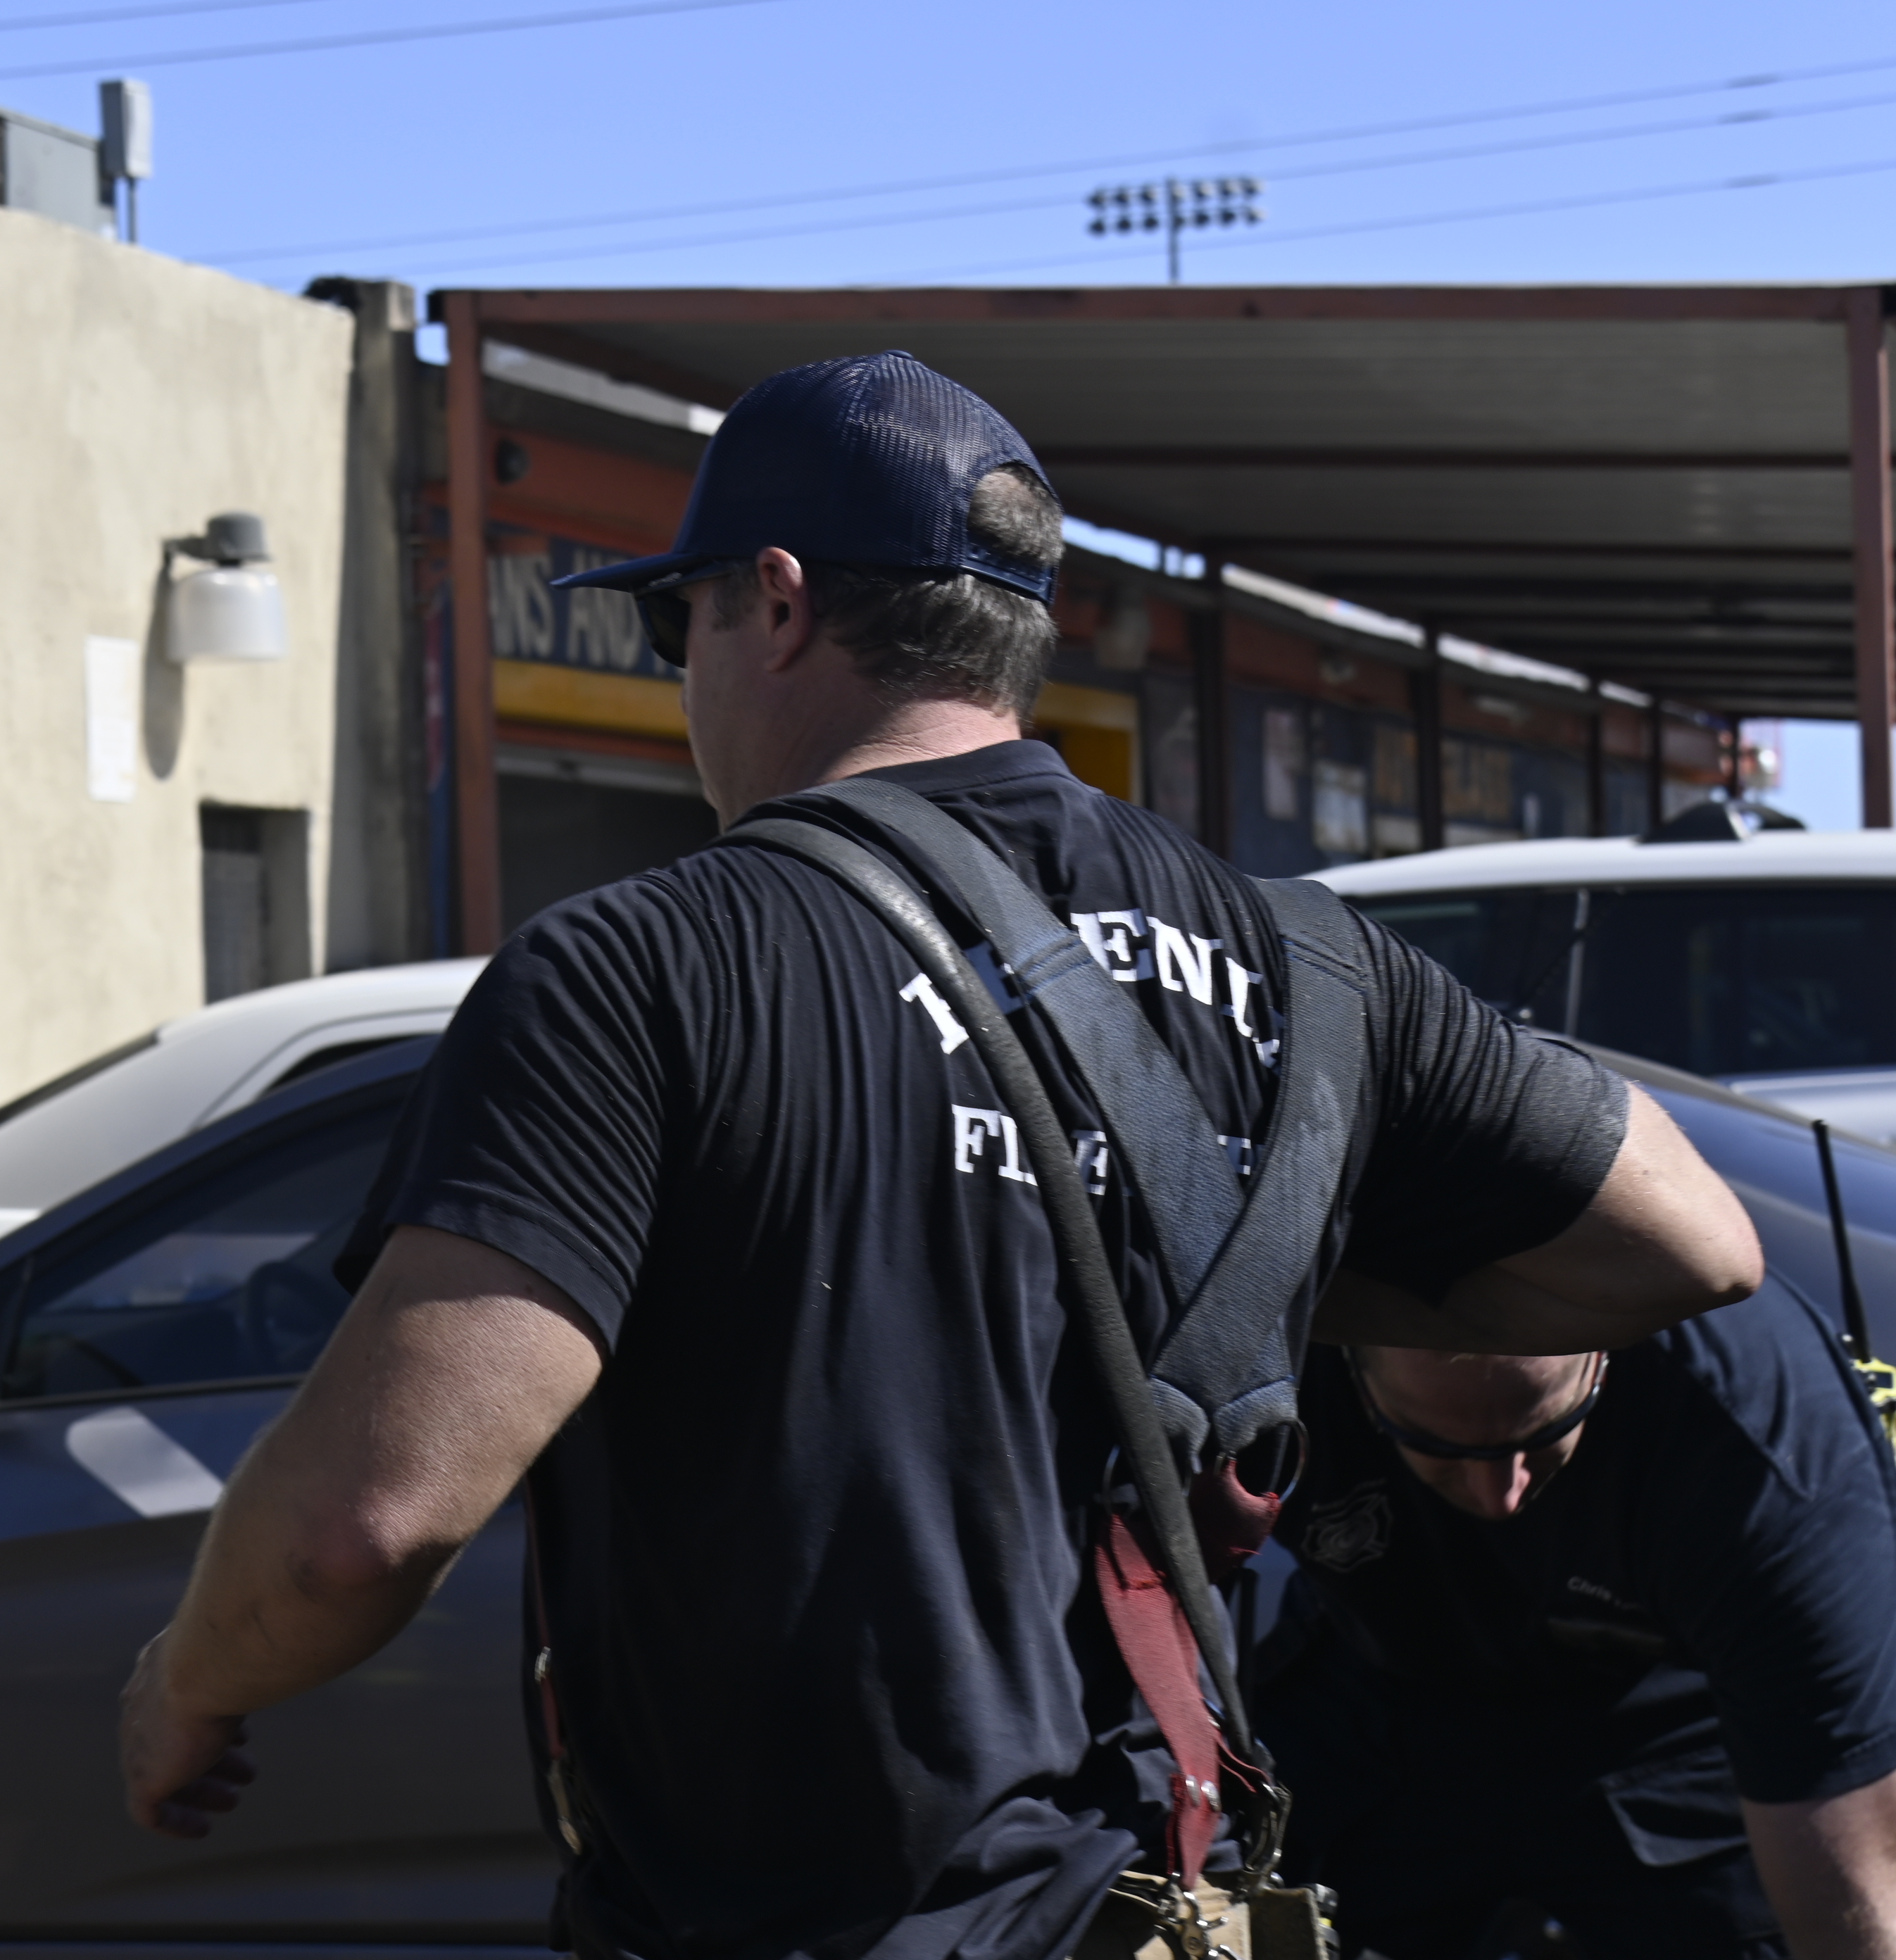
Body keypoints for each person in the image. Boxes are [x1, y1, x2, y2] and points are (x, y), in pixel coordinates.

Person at [115, 351, 1762, 1960]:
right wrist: (1257, 1266)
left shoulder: (640, 970)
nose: (680, 673)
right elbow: (1691, 1240)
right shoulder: (1302, 966)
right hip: (1161, 1906)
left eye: (676, 620)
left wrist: (187, 1678)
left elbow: (365, 1521)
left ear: (774, 602)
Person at [1259, 1290, 1896, 1960]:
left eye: (1538, 1435)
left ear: (1601, 1360)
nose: (1499, 1494)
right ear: (1357, 1377)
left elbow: (1854, 1890)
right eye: (1437, 1445)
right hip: (1376, 1679)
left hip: (1672, 1718)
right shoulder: (1264, 1344)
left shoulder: (1764, 1454)